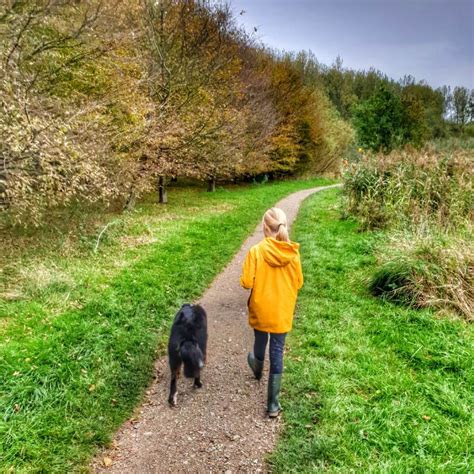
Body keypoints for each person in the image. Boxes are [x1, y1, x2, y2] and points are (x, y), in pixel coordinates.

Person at [240, 207, 303, 417]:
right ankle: (273, 404)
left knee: (260, 340)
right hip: (282, 311)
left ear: (265, 228)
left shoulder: (256, 252)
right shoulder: (292, 254)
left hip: (261, 307)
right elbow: (299, 282)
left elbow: (246, 282)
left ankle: (257, 369)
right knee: (277, 351)